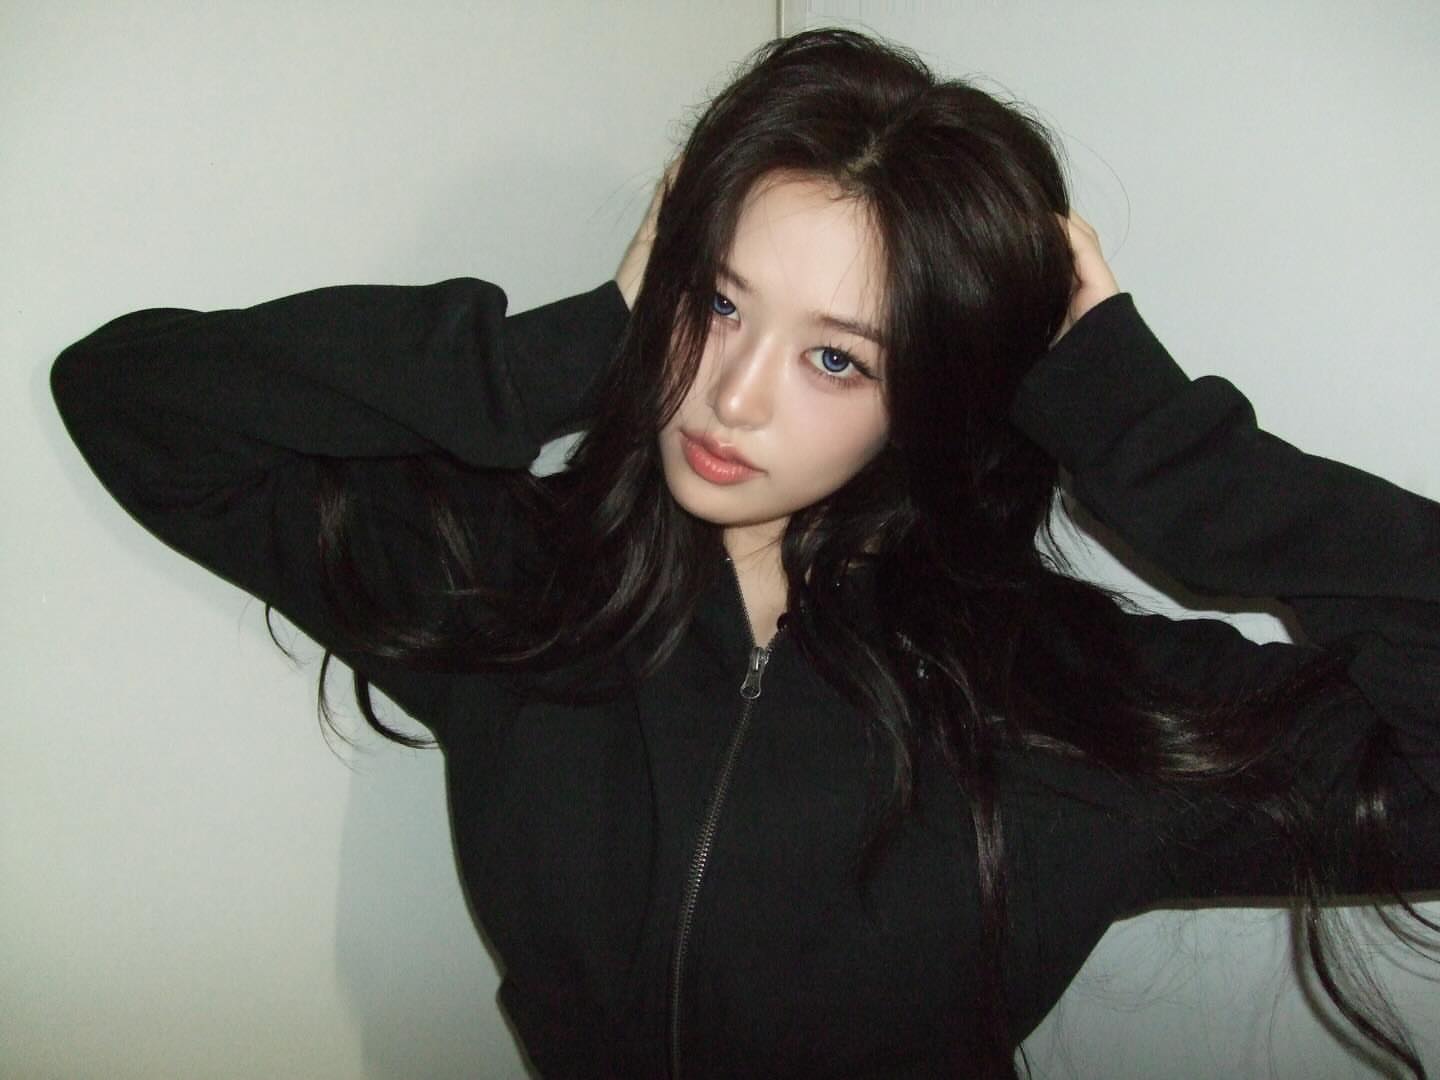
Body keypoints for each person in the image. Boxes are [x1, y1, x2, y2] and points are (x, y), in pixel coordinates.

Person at [50, 27, 1439, 1080]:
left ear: (933, 398)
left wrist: (1160, 445)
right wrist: (561, 353)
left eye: (838, 357)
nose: (732, 396)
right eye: (718, 304)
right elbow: (133, 399)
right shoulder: (526, 584)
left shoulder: (1056, 702)